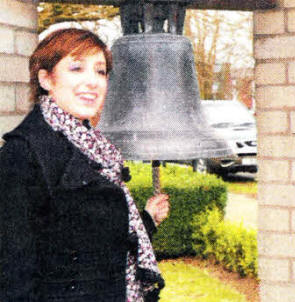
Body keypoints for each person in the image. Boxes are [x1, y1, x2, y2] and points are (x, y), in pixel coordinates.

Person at [0, 28, 170, 302]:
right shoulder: (24, 155)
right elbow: (13, 275)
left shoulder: (98, 151)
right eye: (77, 68)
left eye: (100, 71)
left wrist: (146, 219)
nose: (93, 81)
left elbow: (96, 244)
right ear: (46, 79)